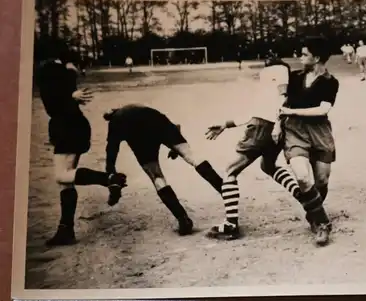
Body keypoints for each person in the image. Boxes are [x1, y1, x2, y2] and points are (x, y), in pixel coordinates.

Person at [204, 58, 315, 241]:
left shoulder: (275, 71)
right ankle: (306, 200)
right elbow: (257, 111)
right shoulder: (277, 77)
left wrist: (276, 124)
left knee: (230, 171)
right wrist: (225, 124)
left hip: (264, 127)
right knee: (268, 166)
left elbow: (278, 100)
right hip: (276, 127)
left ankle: (231, 224)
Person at [35, 54, 128, 247]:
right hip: (74, 126)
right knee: (66, 182)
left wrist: (69, 96)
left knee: (62, 176)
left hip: (66, 127)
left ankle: (109, 179)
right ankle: (65, 229)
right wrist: (70, 93)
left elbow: (54, 105)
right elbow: (70, 77)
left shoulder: (47, 71)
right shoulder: (66, 71)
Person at [103, 104, 224, 236]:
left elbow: (111, 151)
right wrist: (174, 148)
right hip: (159, 121)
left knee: (157, 176)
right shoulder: (138, 108)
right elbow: (175, 126)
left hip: (140, 137)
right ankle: (226, 190)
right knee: (192, 157)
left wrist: (111, 176)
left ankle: (183, 219)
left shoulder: (115, 122)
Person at [276, 36, 339, 247]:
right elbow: (281, 104)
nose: (299, 57)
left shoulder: (330, 82)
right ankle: (322, 223)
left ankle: (313, 212)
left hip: (320, 133)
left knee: (321, 181)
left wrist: (292, 111)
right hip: (295, 131)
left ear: (317, 57)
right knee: (303, 178)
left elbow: (323, 109)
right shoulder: (294, 78)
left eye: (304, 54)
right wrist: (278, 125)